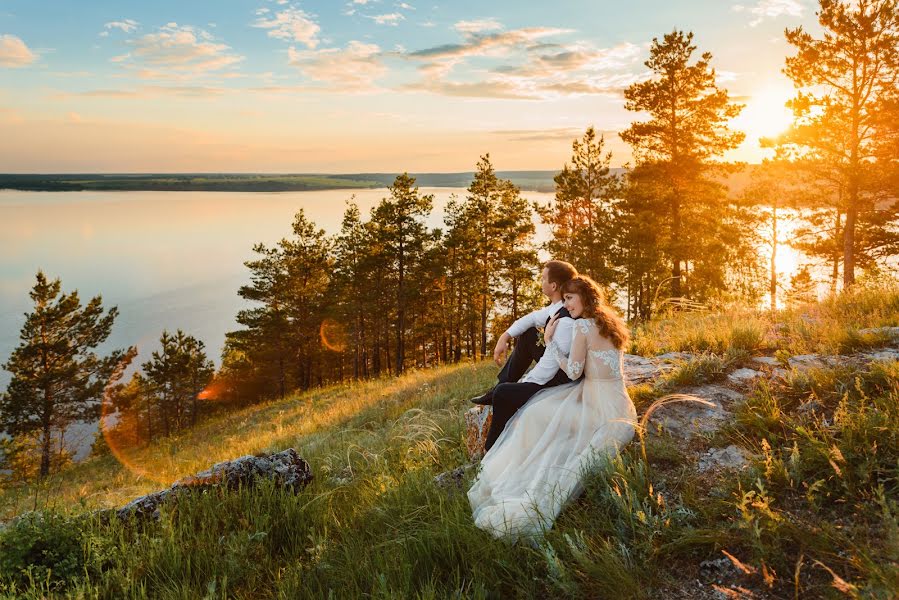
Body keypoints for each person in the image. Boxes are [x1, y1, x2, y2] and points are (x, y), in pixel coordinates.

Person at [467, 275, 637, 542]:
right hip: (620, 407)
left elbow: (572, 373)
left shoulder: (582, 327)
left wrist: (550, 342)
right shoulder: (613, 324)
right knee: (544, 413)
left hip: (593, 405)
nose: (566, 304)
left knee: (534, 414)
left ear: (585, 298)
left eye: (570, 298)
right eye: (565, 298)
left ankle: (503, 467)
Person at [469, 260, 579, 452]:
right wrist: (505, 336)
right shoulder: (556, 308)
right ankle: (499, 388)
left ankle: (492, 449)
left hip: (561, 376)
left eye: (543, 279)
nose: (541, 282)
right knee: (528, 334)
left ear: (553, 286)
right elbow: (530, 319)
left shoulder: (564, 319)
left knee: (504, 392)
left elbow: (550, 365)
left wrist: (524, 384)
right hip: (555, 363)